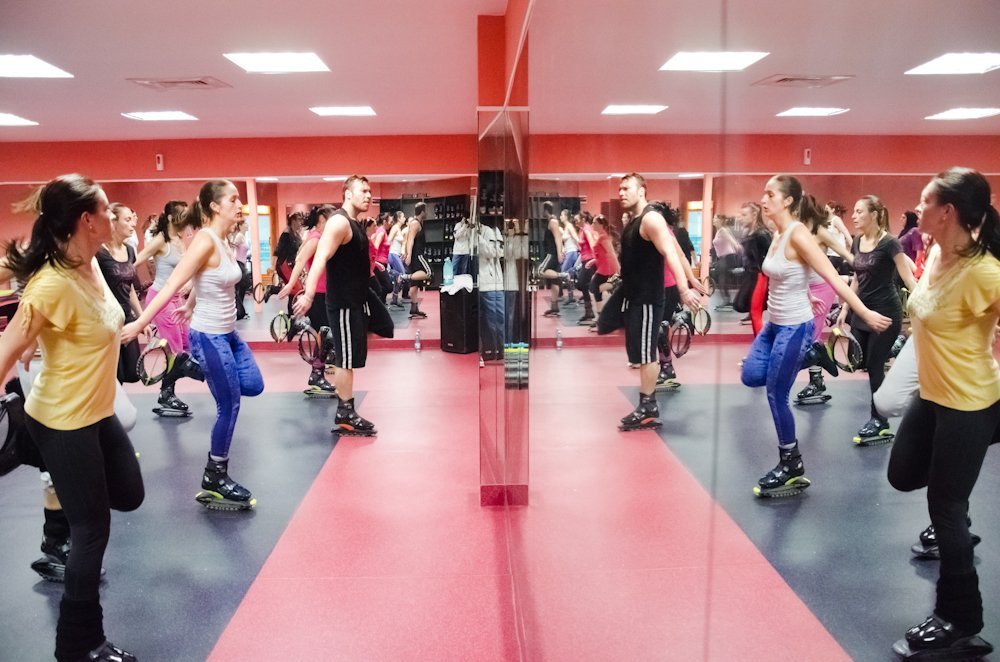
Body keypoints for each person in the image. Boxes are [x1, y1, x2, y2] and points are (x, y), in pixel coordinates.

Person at [0, 174, 144, 662]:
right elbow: (5, 351)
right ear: (87, 220)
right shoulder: (50, 285)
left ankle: (46, 465)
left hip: (96, 411)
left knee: (130, 493)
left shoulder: (91, 263)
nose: (113, 214)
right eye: (106, 208)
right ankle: (79, 644)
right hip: (63, 422)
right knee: (91, 530)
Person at [885, 167, 1000, 660]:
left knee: (945, 507)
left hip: (969, 403)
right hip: (933, 396)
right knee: (902, 474)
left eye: (924, 200)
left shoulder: (985, 273)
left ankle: (960, 620)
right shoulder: (934, 252)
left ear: (947, 211)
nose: (917, 207)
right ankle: (957, 495)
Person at [742, 174, 891, 498]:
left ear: (788, 200)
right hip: (773, 325)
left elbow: (833, 277)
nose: (764, 199)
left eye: (770, 194)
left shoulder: (798, 234)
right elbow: (789, 273)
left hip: (795, 326)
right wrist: (806, 291)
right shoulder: (777, 232)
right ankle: (811, 355)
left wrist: (864, 313)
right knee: (751, 375)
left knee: (776, 394)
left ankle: (791, 464)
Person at [124, 180, 264, 511]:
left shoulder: (223, 240)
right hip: (210, 335)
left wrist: (190, 304)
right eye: (233, 199)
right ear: (214, 206)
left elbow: (204, 279)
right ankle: (215, 476)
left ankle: (189, 366)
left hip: (229, 334)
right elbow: (172, 283)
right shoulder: (204, 240)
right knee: (229, 405)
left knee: (253, 384)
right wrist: (140, 323)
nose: (239, 204)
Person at [294, 175, 388, 437]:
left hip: (354, 301)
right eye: (363, 191)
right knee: (345, 359)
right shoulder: (338, 222)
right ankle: (345, 413)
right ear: (347, 193)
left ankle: (346, 411)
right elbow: (320, 256)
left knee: (351, 357)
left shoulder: (353, 223)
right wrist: (308, 294)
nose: (368, 195)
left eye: (370, 191)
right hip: (343, 303)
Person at [610, 174, 701, 430]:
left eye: (626, 188)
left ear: (641, 191)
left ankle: (648, 406)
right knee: (642, 352)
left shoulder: (651, 219)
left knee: (647, 352)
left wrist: (684, 288)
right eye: (619, 188)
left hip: (649, 297)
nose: (621, 192)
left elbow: (671, 252)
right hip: (636, 296)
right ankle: (647, 405)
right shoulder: (635, 221)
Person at [837, 195, 916, 444]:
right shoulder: (857, 241)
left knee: (874, 366)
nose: (853, 216)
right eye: (854, 211)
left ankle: (879, 420)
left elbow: (909, 278)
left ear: (874, 215)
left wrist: (923, 308)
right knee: (856, 360)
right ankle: (895, 346)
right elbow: (856, 279)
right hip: (862, 312)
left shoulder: (890, 243)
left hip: (885, 312)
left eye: (859, 211)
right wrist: (844, 308)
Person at [134, 200, 201, 415]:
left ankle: (167, 392)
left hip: (177, 301)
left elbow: (187, 268)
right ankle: (166, 393)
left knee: (186, 345)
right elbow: (137, 261)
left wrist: (189, 283)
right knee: (176, 352)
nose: (187, 218)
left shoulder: (181, 240)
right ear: (171, 217)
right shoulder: (161, 240)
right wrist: (120, 280)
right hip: (160, 300)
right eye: (183, 214)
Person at [793, 195, 856, 405]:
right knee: (809, 337)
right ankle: (817, 378)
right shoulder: (796, 231)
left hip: (821, 288)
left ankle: (817, 380)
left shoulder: (820, 231)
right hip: (804, 291)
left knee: (811, 336)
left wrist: (866, 267)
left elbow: (846, 253)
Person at [277, 205, 338, 397]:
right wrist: (290, 284)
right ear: (321, 221)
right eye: (330, 219)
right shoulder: (316, 238)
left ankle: (318, 371)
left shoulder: (320, 237)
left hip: (326, 292)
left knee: (327, 334)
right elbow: (300, 259)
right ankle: (316, 375)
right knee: (326, 335)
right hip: (319, 293)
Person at [97, 203, 144, 384]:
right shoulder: (99, 253)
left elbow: (129, 287)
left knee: (133, 372)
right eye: (128, 220)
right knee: (114, 376)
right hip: (106, 320)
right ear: (114, 222)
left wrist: (141, 318)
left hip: (126, 317)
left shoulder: (130, 250)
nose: (133, 224)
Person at [735, 202, 772, 336]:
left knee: (755, 313)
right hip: (751, 276)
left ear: (754, 215)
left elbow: (772, 255)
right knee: (748, 309)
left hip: (759, 276)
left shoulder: (761, 234)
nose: (740, 218)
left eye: (744, 215)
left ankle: (761, 345)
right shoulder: (751, 233)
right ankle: (761, 343)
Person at [400, 201, 431, 319]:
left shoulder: (417, 223)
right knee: (429, 273)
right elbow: (410, 240)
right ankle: (405, 277)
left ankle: (414, 308)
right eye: (426, 211)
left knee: (415, 284)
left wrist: (407, 253)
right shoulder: (415, 223)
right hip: (418, 255)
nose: (427, 213)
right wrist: (408, 255)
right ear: (422, 211)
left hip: (415, 255)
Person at [538, 201, 566, 317]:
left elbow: (558, 238)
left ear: (546, 210)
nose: (541, 212)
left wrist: (559, 252)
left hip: (552, 254)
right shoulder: (552, 221)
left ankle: (563, 275)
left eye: (542, 210)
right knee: (554, 282)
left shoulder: (553, 222)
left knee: (540, 271)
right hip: (553, 253)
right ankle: (554, 307)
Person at [229, 219, 251, 320]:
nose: (247, 225)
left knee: (243, 287)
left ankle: (240, 311)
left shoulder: (243, 237)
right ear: (240, 226)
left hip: (242, 263)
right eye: (245, 224)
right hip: (238, 263)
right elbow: (232, 246)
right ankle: (239, 311)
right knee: (240, 287)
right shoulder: (239, 236)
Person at [387, 211, 407, 308]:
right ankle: (388, 272)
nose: (404, 218)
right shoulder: (395, 228)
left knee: (399, 277)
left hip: (397, 254)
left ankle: (394, 299)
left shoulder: (399, 229)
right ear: (398, 218)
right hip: (393, 254)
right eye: (403, 217)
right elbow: (388, 241)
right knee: (402, 274)